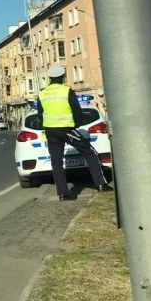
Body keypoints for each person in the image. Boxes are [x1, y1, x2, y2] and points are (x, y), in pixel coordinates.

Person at [37, 65, 111, 200]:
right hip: (66, 129)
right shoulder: (66, 91)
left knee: (56, 161)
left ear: (50, 78)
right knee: (90, 152)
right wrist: (76, 124)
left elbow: (40, 114)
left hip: (50, 131)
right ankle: (101, 184)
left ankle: (63, 193)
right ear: (63, 77)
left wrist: (46, 126)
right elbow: (76, 110)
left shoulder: (42, 93)